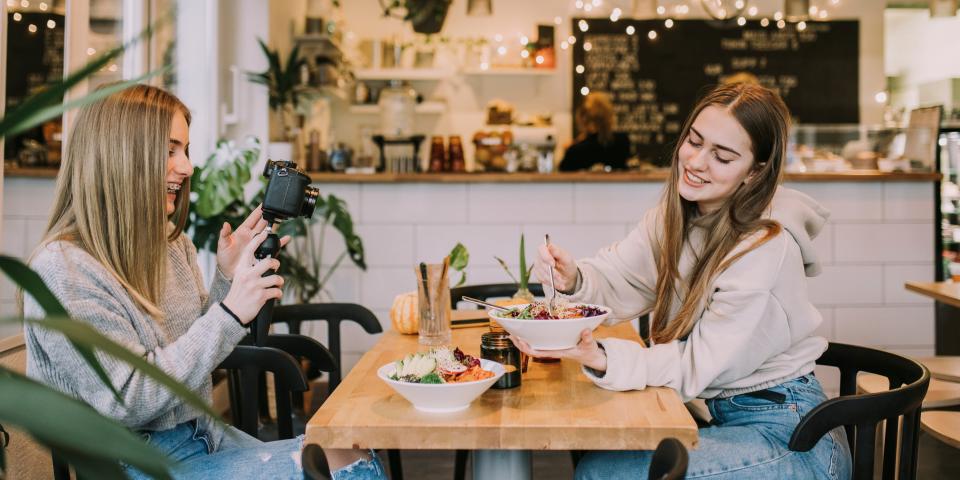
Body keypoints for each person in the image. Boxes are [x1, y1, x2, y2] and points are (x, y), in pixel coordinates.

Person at [22, 84, 386, 480]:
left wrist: (227, 277)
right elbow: (125, 398)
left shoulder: (169, 246)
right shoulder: (63, 270)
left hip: (205, 435)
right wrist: (231, 312)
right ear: (120, 158)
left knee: (349, 450)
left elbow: (194, 348)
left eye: (186, 150)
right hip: (137, 465)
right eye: (169, 150)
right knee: (341, 467)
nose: (187, 167)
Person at [522, 83, 853, 479]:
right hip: (712, 417)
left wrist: (604, 358)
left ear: (756, 171)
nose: (696, 162)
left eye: (722, 156)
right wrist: (572, 277)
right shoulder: (678, 216)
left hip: (791, 437)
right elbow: (623, 277)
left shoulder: (765, 248)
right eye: (694, 141)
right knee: (599, 454)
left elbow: (698, 365)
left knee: (605, 473)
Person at [559, 91, 631, 172]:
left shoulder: (576, 150)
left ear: (583, 119)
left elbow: (563, 174)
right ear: (609, 116)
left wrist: (570, 148)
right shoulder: (622, 142)